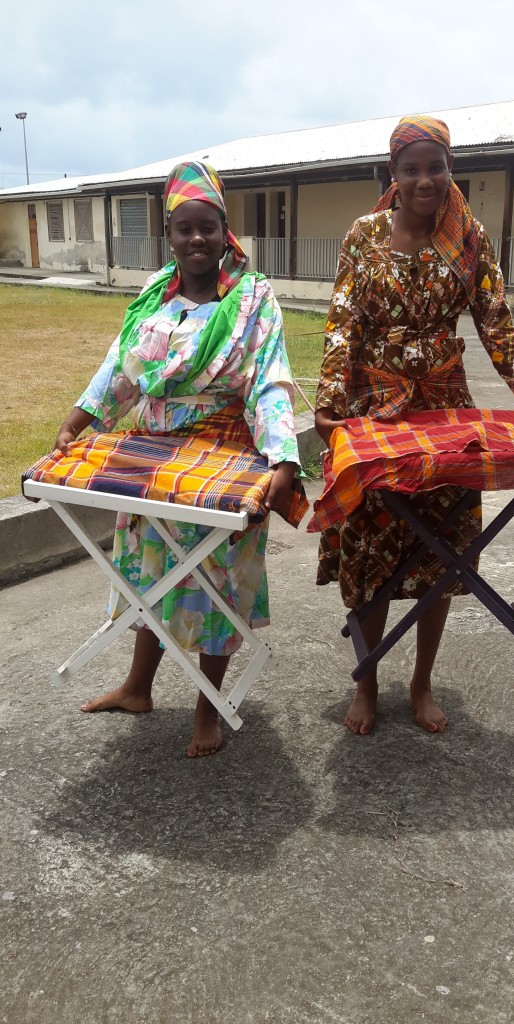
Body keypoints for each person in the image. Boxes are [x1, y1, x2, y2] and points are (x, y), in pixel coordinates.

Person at [314, 115, 514, 737]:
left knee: (443, 552)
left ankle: (421, 683)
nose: (425, 179)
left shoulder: (469, 240)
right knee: (370, 548)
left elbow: (495, 323)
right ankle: (367, 681)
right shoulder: (364, 236)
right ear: (392, 174)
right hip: (374, 404)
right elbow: (343, 322)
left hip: (445, 405)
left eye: (436, 167)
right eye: (411, 169)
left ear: (451, 170)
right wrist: (329, 401)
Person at [55, 161, 301, 758]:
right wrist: (78, 421)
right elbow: (120, 368)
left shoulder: (252, 298)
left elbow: (269, 380)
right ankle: (138, 687)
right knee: (149, 570)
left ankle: (206, 708)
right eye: (184, 228)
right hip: (153, 453)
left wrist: (284, 459)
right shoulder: (152, 297)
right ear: (168, 234)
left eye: (207, 227)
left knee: (216, 578)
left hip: (223, 453)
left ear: (224, 230)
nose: (196, 239)